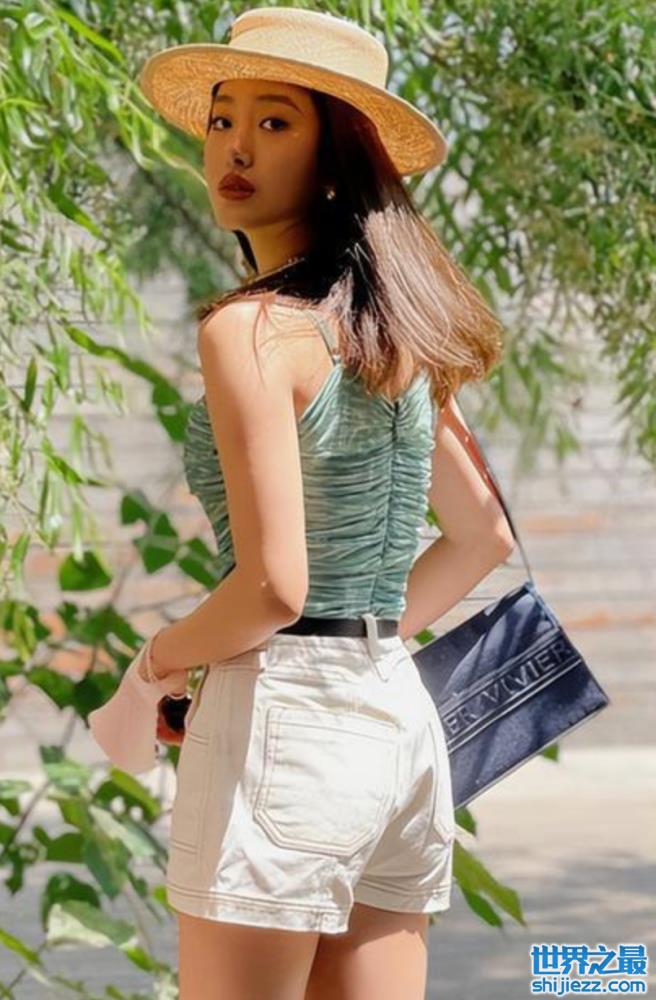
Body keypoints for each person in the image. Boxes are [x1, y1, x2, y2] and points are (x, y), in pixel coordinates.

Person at [116, 7, 512, 998]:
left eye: (274, 121)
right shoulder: (399, 332)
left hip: (281, 734)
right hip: (394, 721)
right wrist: (352, 649)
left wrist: (157, 663)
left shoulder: (249, 331)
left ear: (336, 156)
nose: (235, 148)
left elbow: (272, 589)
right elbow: (480, 538)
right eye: (222, 120)